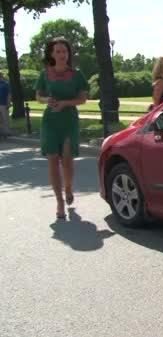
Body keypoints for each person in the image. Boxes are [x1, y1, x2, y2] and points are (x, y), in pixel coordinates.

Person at [35, 37, 89, 219]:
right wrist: (46, 100)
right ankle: (59, 202)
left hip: (69, 120)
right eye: (57, 51)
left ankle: (68, 187)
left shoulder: (77, 74)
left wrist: (65, 103)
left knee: (67, 158)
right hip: (50, 120)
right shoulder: (45, 74)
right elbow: (38, 96)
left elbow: (82, 99)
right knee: (52, 160)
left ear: (68, 54)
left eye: (64, 51)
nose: (61, 55)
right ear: (52, 54)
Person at [0, 72, 11, 140]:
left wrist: (8, 103)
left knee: (5, 118)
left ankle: (7, 132)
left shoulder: (5, 84)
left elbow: (9, 94)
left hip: (4, 104)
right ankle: (2, 132)